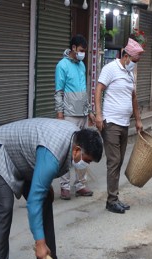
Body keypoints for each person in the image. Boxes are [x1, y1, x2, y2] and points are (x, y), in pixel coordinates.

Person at [0, 118, 103, 259]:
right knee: (5, 208)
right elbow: (33, 201)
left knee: (46, 198)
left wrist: (44, 185)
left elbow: (41, 174)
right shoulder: (53, 154)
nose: (87, 165)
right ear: (77, 150)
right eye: (87, 160)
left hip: (22, 158)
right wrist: (39, 243)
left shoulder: (73, 137)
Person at [95, 38, 144, 214]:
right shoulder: (110, 69)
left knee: (119, 161)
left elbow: (133, 98)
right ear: (125, 56)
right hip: (111, 122)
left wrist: (138, 120)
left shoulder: (130, 74)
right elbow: (98, 89)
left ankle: (114, 197)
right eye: (134, 61)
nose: (134, 65)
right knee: (114, 161)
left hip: (124, 123)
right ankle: (111, 200)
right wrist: (99, 114)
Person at [55, 34, 95, 200]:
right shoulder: (62, 66)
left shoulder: (81, 65)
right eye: (81, 50)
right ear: (73, 48)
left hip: (83, 115)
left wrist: (90, 111)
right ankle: (64, 186)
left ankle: (80, 185)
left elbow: (84, 91)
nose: (82, 54)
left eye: (84, 51)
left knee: (83, 149)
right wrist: (60, 115)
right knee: (67, 150)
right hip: (69, 115)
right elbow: (59, 92)